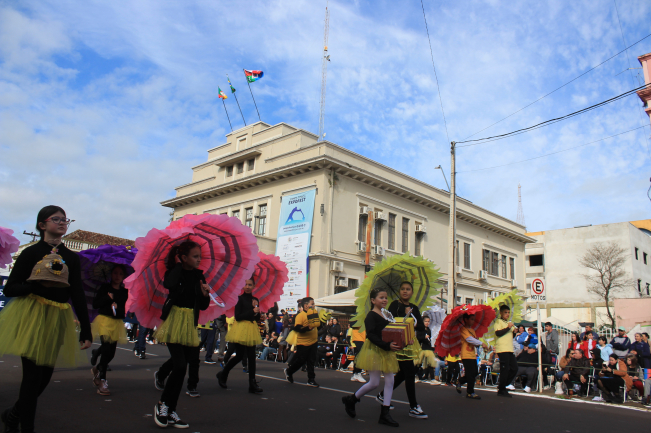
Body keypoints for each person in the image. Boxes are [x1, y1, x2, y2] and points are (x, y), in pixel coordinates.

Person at [0, 206, 92, 433]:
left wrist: (86, 329)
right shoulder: (31, 253)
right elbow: (10, 288)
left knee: (44, 378)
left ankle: (14, 414)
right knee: (32, 378)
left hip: (57, 317)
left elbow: (77, 294)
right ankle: (25, 427)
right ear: (42, 225)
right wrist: (35, 284)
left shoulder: (71, 257)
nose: (62, 223)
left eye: (65, 219)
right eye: (56, 219)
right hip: (32, 315)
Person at [153, 241, 210, 429]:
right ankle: (162, 404)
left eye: (199, 256)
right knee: (179, 365)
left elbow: (203, 306)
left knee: (182, 367)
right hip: (174, 320)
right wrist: (178, 265)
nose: (199, 259)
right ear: (184, 257)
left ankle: (171, 409)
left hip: (190, 322)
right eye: (195, 256)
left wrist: (205, 294)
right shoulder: (174, 272)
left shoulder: (199, 275)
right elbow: (169, 284)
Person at [341, 288, 400, 427]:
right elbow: (371, 335)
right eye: (381, 297)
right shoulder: (371, 316)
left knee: (390, 381)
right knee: (374, 383)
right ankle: (352, 399)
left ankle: (385, 413)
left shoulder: (387, 314)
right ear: (373, 300)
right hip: (375, 350)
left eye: (385, 297)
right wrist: (386, 345)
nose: (384, 300)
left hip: (386, 350)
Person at [376, 282, 427, 418]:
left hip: (410, 344)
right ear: (399, 291)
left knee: (404, 373)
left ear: (412, 292)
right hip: (398, 344)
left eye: (408, 289)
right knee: (409, 373)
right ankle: (413, 406)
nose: (405, 291)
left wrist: (412, 318)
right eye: (403, 289)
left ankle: (382, 395)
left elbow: (421, 327)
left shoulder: (414, 308)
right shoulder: (395, 305)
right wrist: (404, 316)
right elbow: (389, 321)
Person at [216, 278, 263, 393]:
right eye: (245, 284)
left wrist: (257, 311)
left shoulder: (255, 300)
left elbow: (256, 318)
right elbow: (238, 316)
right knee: (239, 356)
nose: (247, 287)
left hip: (251, 329)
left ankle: (252, 383)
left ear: (254, 286)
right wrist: (252, 311)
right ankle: (223, 374)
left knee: (251, 357)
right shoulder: (239, 299)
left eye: (250, 285)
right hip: (241, 329)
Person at [90, 265, 129, 396]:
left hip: (116, 322)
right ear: (111, 274)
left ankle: (97, 365)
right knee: (106, 350)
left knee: (111, 353)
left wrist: (117, 307)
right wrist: (107, 298)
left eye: (120, 274)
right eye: (115, 273)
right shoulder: (104, 288)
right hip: (104, 321)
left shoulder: (124, 292)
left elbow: (124, 310)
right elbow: (96, 304)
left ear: (123, 277)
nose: (117, 276)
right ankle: (102, 380)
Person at [284, 297, 320, 387]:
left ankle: (311, 379)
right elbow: (297, 328)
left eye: (314, 304)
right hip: (303, 343)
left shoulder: (314, 314)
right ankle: (289, 371)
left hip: (314, 341)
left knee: (311, 361)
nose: (314, 305)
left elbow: (318, 326)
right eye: (312, 304)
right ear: (306, 305)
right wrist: (308, 328)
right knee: (301, 361)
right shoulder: (300, 315)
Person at [456, 313, 490, 399]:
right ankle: (470, 392)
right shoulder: (463, 329)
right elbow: (469, 339)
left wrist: (481, 346)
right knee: (470, 374)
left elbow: (474, 342)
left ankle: (460, 381)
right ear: (466, 320)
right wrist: (481, 343)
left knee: (474, 373)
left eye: (473, 319)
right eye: (471, 319)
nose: (473, 321)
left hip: (472, 355)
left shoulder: (472, 330)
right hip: (466, 355)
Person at [494, 305, 518, 397]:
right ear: (501, 313)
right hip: (502, 349)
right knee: (504, 369)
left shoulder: (509, 322)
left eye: (508, 312)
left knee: (514, 368)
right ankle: (502, 389)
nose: (507, 314)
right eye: (505, 312)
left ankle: (502, 385)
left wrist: (514, 332)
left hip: (509, 349)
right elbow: (498, 333)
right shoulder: (498, 321)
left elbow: (510, 336)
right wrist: (508, 328)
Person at [416, 316, 436, 384]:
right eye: (426, 321)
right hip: (421, 348)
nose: (427, 323)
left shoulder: (429, 329)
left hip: (428, 348)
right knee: (418, 363)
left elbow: (430, 339)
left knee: (430, 363)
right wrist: (424, 337)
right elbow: (418, 338)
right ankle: (419, 376)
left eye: (428, 321)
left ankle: (432, 378)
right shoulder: (420, 329)